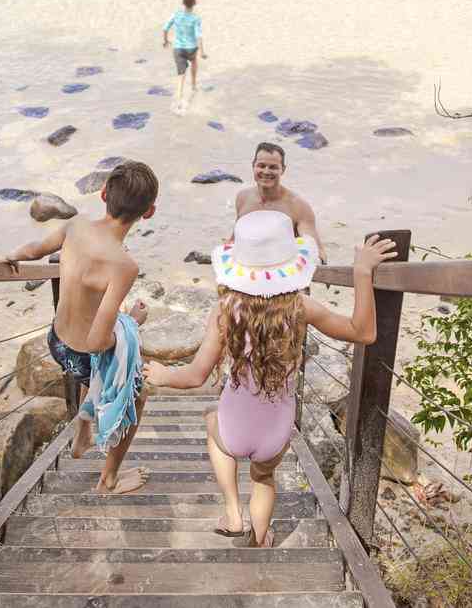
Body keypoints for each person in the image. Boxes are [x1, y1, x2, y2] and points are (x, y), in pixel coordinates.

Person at [145, 210, 396, 546]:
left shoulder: (225, 312)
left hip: (234, 429)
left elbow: (195, 377)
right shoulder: (301, 308)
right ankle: (259, 539)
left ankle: (233, 513)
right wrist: (362, 272)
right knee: (264, 478)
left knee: (210, 421)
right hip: (275, 431)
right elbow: (362, 332)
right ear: (289, 265)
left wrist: (163, 375)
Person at [0, 161, 159, 495]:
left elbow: (35, 250)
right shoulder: (124, 265)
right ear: (149, 212)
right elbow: (100, 341)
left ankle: (81, 436)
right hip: (86, 354)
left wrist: (13, 254)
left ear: (103, 194)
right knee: (138, 395)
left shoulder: (75, 226)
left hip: (58, 343)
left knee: (90, 373)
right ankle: (108, 480)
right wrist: (132, 323)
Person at [234, 142, 328, 263]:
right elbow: (235, 239)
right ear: (253, 166)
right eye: (261, 166)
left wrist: (315, 261)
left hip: (282, 271)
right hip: (251, 268)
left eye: (273, 167)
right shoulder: (243, 198)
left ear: (282, 170)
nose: (266, 172)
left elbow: (315, 249)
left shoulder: (298, 206)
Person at [162, 0, 207, 111]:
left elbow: (165, 28)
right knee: (194, 63)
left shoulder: (176, 14)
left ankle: (179, 100)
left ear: (183, 2)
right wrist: (202, 51)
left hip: (178, 48)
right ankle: (193, 85)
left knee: (181, 75)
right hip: (191, 48)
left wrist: (165, 41)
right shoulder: (196, 18)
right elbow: (198, 35)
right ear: (195, 3)